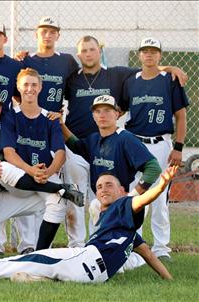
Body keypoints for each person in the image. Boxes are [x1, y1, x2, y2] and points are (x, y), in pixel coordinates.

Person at [0, 166, 176, 283]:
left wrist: (161, 185)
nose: (102, 189)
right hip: (88, 269)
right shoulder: (129, 233)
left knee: (11, 263)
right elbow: (152, 257)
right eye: (99, 186)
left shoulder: (124, 205)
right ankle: (40, 278)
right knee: (25, 266)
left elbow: (142, 199)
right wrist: (170, 280)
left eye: (109, 185)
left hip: (85, 259)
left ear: (122, 190)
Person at [63, 35, 189, 247]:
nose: (88, 54)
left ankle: (155, 246)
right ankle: (96, 243)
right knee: (99, 198)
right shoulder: (75, 79)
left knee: (147, 197)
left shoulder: (118, 74)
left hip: (137, 144)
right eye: (84, 50)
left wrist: (170, 68)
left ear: (99, 50)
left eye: (92, 49)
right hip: (105, 144)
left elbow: (151, 71)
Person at [0, 90, 83, 261]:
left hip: (5, 198)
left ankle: (39, 257)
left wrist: (55, 118)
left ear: (0, 110)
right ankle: (61, 188)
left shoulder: (6, 131)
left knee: (57, 200)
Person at [120, 38, 189, 260]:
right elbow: (120, 110)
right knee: (134, 194)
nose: (149, 55)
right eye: (145, 51)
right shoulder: (131, 81)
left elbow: (181, 116)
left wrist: (178, 147)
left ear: (160, 55)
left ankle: (161, 248)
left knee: (160, 198)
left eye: (153, 51)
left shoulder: (170, 80)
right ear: (139, 55)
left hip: (161, 144)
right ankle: (134, 245)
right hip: (134, 142)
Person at [0, 68, 70, 253]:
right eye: (25, 85)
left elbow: (60, 153)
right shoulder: (10, 116)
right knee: (2, 167)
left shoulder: (50, 118)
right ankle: (25, 245)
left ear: (40, 87)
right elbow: (8, 152)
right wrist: (31, 170)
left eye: (34, 85)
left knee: (59, 201)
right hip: (20, 180)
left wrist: (49, 171)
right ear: (18, 87)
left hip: (44, 176)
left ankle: (41, 251)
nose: (29, 89)